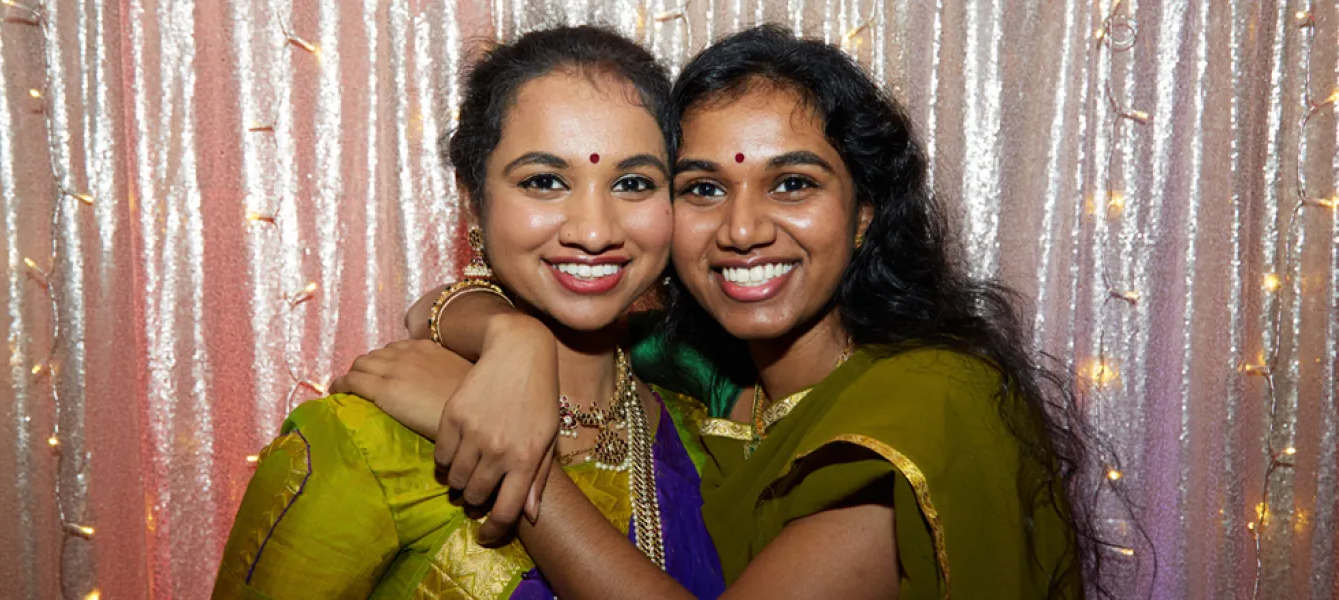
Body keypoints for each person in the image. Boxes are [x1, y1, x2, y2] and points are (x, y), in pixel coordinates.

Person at [339, 25, 1113, 599]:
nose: (743, 230)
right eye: (703, 188)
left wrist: (509, 456)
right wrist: (509, 338)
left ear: (866, 211)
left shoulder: (922, 408)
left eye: (793, 184)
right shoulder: (696, 372)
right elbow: (428, 316)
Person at [212, 25, 725, 599]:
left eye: (632, 183)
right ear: (472, 201)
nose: (594, 230)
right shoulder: (365, 439)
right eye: (544, 181)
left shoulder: (700, 429)